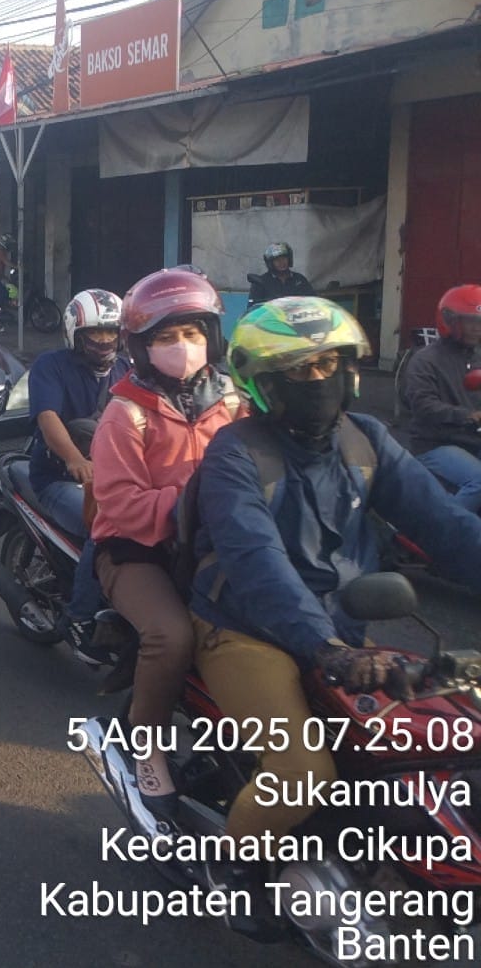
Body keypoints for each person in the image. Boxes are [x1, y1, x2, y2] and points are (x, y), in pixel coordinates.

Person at [189, 296, 481, 927]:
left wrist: (339, 643)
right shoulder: (234, 455)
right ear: (262, 383)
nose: (317, 381)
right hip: (248, 629)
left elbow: (446, 525)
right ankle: (232, 867)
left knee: (433, 740)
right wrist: (327, 647)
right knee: (303, 770)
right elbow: (258, 564)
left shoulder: (367, 440)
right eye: (298, 370)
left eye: (327, 364)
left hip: (345, 633)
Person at [89, 268, 241, 822]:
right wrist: (189, 505)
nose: (183, 347)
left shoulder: (233, 400)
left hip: (218, 544)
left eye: (193, 333)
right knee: (171, 636)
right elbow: (120, 503)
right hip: (137, 552)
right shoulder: (124, 413)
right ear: (141, 346)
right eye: (166, 337)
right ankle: (145, 742)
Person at [25, 290, 127, 651]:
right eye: (94, 335)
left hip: (116, 479)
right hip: (58, 477)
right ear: (75, 334)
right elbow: (47, 417)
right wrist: (75, 460)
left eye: (109, 333)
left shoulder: (126, 370)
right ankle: (81, 619)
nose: (103, 342)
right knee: (105, 530)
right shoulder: (51, 366)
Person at [398, 285, 481, 512]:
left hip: (472, 439)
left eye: (480, 322)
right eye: (470, 321)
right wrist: (469, 416)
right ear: (451, 321)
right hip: (435, 443)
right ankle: (439, 531)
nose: (477, 328)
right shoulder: (426, 360)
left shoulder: (477, 357)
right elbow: (423, 405)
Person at [246, 241, 313, 306]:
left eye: (284, 258)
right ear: (270, 263)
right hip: (271, 317)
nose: (281, 262)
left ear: (289, 259)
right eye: (277, 260)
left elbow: (313, 300)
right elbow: (252, 308)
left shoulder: (299, 279)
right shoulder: (261, 282)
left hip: (298, 315)